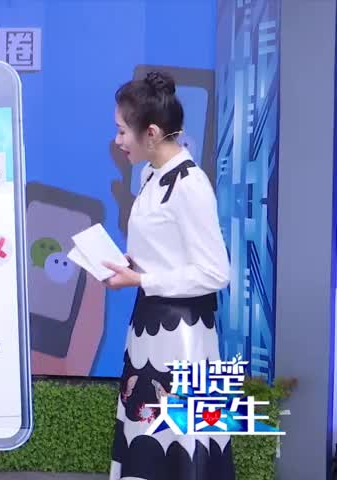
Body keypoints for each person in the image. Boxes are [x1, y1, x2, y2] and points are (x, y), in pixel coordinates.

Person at [102, 71, 235, 480]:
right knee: (145, 439)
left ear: (152, 132)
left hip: (184, 337)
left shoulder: (190, 183)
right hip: (149, 328)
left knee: (182, 443)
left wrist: (143, 280)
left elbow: (216, 272)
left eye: (123, 131)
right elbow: (167, 253)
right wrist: (134, 266)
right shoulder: (151, 176)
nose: (118, 140)